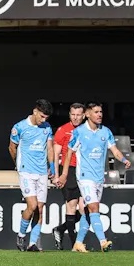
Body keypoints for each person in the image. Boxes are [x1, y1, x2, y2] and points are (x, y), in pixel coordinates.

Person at [58, 102, 130, 253]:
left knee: (89, 212)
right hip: (84, 177)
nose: (100, 115)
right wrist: (64, 174)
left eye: (101, 112)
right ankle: (103, 242)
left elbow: (115, 151)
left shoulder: (105, 131)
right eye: (96, 112)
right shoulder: (79, 132)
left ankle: (78, 243)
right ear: (88, 114)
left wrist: (124, 160)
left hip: (98, 178)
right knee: (94, 207)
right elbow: (69, 152)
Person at [9, 99, 54, 253]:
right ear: (35, 111)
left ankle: (32, 243)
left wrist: (52, 166)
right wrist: (17, 164)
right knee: (32, 205)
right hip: (26, 171)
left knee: (39, 209)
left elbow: (50, 148)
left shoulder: (47, 127)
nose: (43, 120)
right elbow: (12, 148)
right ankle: (21, 236)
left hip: (42, 172)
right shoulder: (20, 127)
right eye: (42, 116)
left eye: (46, 117)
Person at [52, 103, 85, 250]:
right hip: (69, 170)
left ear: (84, 116)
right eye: (73, 114)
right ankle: (74, 245)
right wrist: (56, 175)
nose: (75, 117)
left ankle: (60, 229)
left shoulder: (88, 130)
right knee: (71, 206)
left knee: (85, 209)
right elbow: (56, 154)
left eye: (78, 115)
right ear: (69, 115)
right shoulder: (63, 130)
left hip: (84, 170)